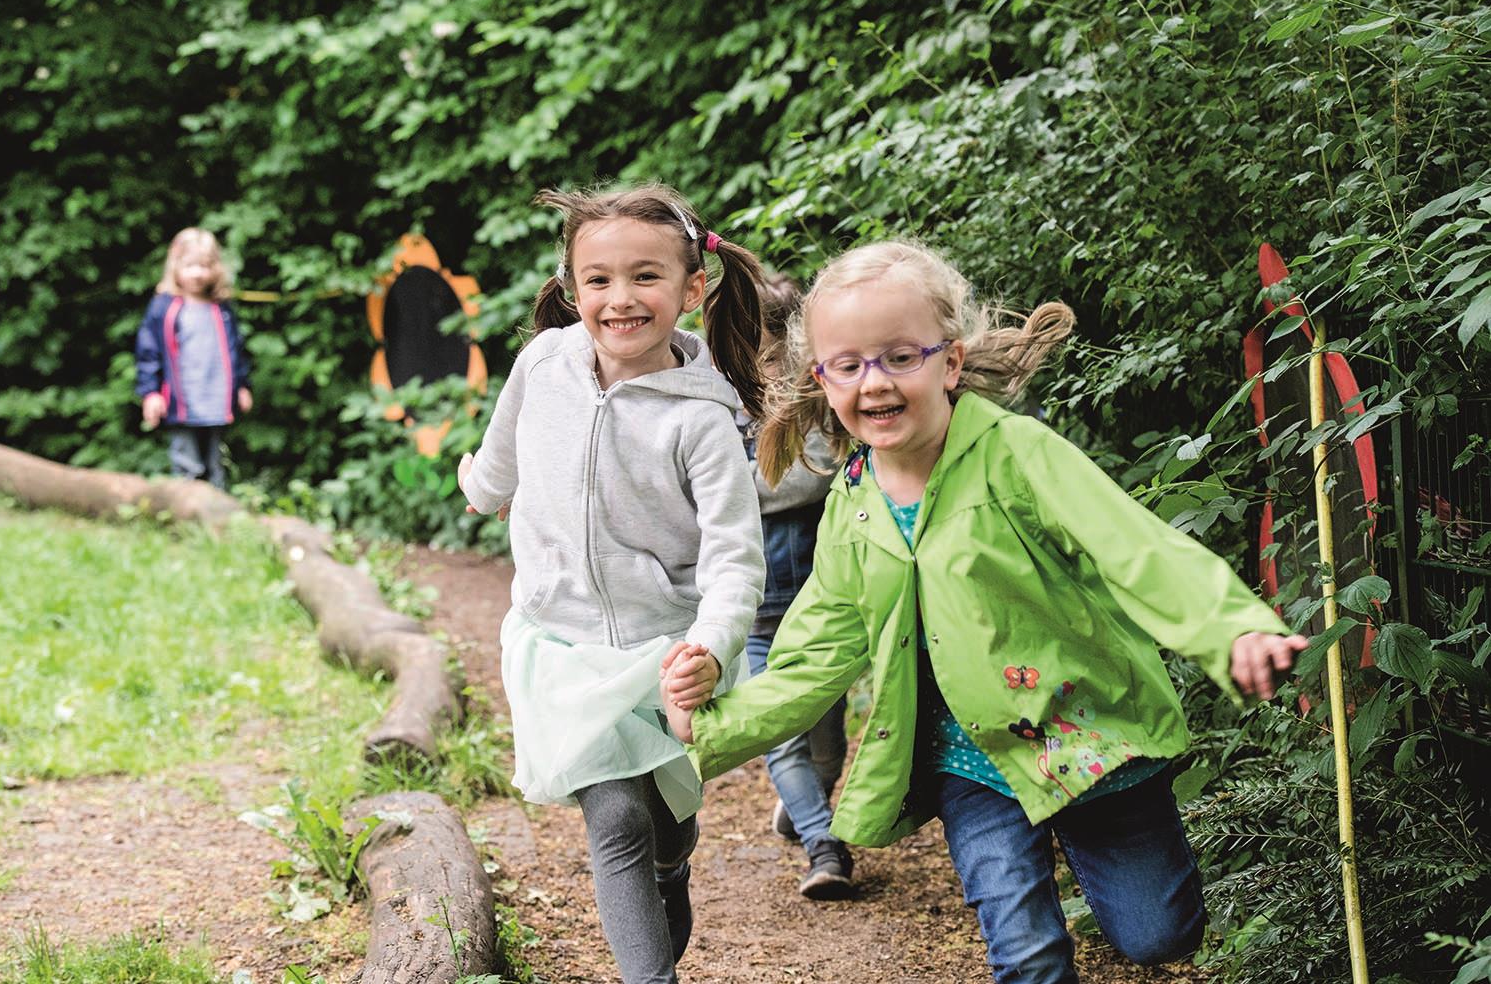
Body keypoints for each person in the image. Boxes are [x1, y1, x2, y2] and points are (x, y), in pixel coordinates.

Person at [661, 241, 1307, 983]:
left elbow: (1136, 550)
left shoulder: (1017, 454)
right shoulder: (854, 505)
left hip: (1086, 731)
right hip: (969, 759)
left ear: (951, 363)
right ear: (823, 380)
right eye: (850, 364)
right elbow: (816, 652)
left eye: (900, 357)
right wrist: (709, 726)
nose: (875, 381)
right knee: (1024, 950)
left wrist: (1233, 628)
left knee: (1158, 934)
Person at [456, 184, 768, 984]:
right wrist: (482, 489)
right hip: (558, 643)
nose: (620, 299)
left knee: (663, 824)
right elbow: (503, 453)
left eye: (645, 277)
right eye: (597, 280)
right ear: (570, 288)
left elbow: (736, 558)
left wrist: (711, 643)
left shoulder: (703, 420)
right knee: (617, 816)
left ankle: (674, 867)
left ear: (692, 288)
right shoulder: (543, 363)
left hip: (666, 652)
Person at [739, 270, 852, 899]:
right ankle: (823, 843)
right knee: (778, 727)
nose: (767, 357)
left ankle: (810, 805)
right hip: (756, 606)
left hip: (823, 601)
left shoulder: (818, 396)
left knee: (827, 734)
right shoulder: (721, 398)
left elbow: (815, 478)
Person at [134, 227, 253, 490]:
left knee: (217, 463)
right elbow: (148, 351)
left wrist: (242, 385)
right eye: (190, 266)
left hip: (216, 399)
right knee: (187, 462)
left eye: (205, 265)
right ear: (176, 267)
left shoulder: (221, 309)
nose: (198, 273)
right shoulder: (164, 307)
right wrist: (151, 393)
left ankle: (219, 517)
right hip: (181, 400)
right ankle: (188, 518)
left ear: (216, 268)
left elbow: (237, 349)